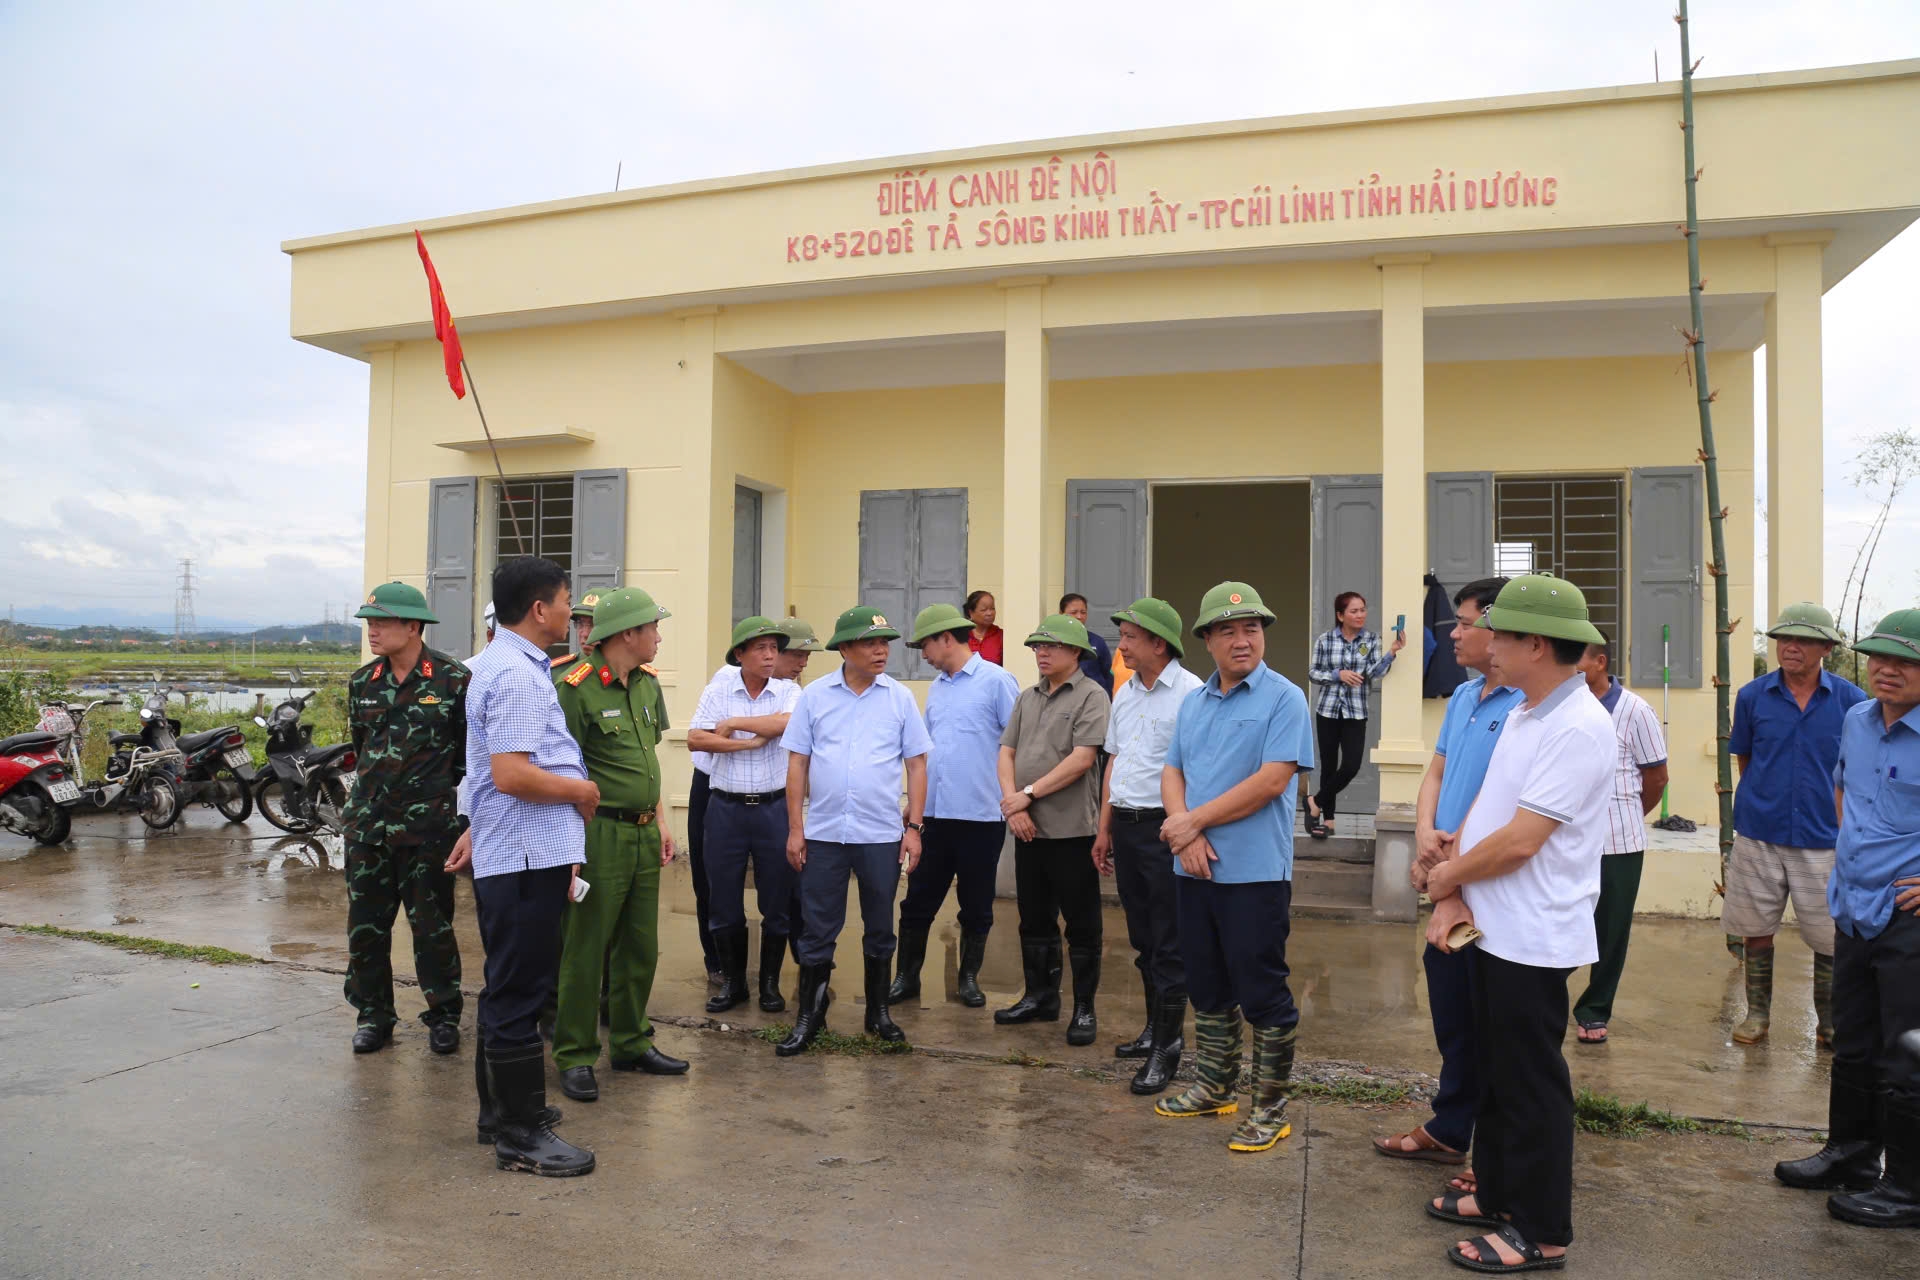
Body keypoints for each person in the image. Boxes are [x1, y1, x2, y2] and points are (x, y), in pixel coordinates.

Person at [1419, 574, 1613, 1270]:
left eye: (1499, 633)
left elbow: (1523, 840)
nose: (1486, 643)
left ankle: (1541, 1228)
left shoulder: (1578, 726)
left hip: (1533, 935)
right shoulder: (1528, 712)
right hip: (1493, 924)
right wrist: (1454, 885)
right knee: (1498, 1075)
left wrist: (1447, 878)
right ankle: (1498, 1191)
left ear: (1536, 644)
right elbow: (1486, 809)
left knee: (1531, 1087)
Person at [448, 555, 598, 1178]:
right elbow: (510, 774)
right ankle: (520, 1134)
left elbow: (486, 771)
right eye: (566, 601)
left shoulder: (503, 663)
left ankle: (501, 1112)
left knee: (509, 983)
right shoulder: (516, 675)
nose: (571, 612)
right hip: (525, 855)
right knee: (520, 991)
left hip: (518, 849)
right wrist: (582, 791)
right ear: (540, 609)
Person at [1151, 582, 1314, 1154]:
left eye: (1251, 629)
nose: (1242, 640)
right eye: (1228, 631)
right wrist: (1184, 829)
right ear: (1207, 640)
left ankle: (1269, 1108)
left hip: (1254, 872)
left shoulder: (1285, 698)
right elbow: (1172, 771)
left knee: (1262, 989)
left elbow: (1271, 781)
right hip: (1194, 869)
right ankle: (1214, 1086)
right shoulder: (1194, 703)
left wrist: (1190, 823)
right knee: (1206, 982)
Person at [1775, 607, 1920, 1229]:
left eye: (1905, 661)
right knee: (1854, 1040)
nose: (1887, 669)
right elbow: (1844, 790)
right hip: (1855, 905)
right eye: (1879, 657)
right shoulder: (1858, 719)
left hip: (1909, 915)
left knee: (1908, 1052)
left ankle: (1909, 1186)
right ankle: (1852, 1156)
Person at [1374, 576, 1518, 1169]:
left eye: (1464, 623)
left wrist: (1450, 867)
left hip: (1492, 885)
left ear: (1500, 629)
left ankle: (1498, 1161)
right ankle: (1452, 1127)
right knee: (1454, 1014)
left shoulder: (1528, 706)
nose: (1453, 635)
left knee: (1498, 1024)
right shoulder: (1463, 696)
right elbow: (1436, 773)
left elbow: (1502, 801)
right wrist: (1424, 836)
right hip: (1449, 881)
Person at [549, 588, 688, 1104]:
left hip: (644, 830)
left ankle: (630, 1042)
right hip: (598, 833)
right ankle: (575, 1054)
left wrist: (663, 822)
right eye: (653, 628)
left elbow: (650, 760)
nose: (659, 637)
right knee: (586, 948)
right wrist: (568, 848)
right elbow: (558, 769)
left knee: (639, 946)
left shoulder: (647, 685)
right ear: (628, 634)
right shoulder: (574, 688)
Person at [778, 606, 932, 1055]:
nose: (881, 651)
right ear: (845, 649)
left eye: (885, 643)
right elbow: (798, 763)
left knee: (880, 925)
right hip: (824, 832)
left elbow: (917, 765)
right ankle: (810, 1016)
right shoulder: (815, 697)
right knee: (817, 927)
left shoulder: (899, 698)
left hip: (880, 834)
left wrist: (914, 828)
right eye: (871, 643)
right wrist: (795, 829)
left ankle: (878, 1013)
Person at [1724, 602, 1865, 1046]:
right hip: (1759, 833)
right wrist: (1765, 798)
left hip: (1824, 837)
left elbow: (1859, 769)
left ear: (1826, 648)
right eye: (1784, 638)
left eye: (1803, 640)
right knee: (1755, 929)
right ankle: (1757, 1015)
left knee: (1830, 936)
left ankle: (1829, 1023)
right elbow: (1747, 757)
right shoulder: (1752, 696)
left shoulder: (1852, 702)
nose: (1790, 647)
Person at [340, 581, 470, 1056]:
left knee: (432, 929)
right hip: (368, 828)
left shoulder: (454, 680)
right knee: (365, 931)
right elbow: (363, 749)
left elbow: (466, 758)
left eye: (381, 622)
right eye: (369, 622)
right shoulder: (362, 683)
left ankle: (444, 1016)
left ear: (413, 626)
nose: (371, 631)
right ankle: (373, 1017)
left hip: (428, 830)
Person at [1094, 597, 1203, 1094]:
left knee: (1168, 942)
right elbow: (1114, 762)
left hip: (1164, 830)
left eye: (1130, 637)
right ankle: (1153, 1029)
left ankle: (1169, 1046)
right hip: (1126, 826)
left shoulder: (1192, 694)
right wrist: (1104, 829)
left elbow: (1198, 771)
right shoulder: (1125, 692)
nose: (1121, 646)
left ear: (1159, 643)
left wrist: (1189, 830)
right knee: (1142, 938)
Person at [892, 603, 1019, 1008]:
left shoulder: (997, 681)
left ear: (946, 638)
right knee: (917, 901)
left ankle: (968, 978)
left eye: (925, 645)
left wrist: (1015, 798)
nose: (923, 655)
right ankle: (906, 977)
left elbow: (1016, 744)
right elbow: (925, 753)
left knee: (976, 904)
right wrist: (914, 806)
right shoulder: (938, 688)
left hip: (981, 816)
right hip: (934, 816)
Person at [994, 613, 1111, 1044]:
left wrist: (1027, 794)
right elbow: (1006, 753)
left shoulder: (1092, 696)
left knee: (1081, 923)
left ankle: (1083, 1008)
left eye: (1051, 646)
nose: (1041, 653)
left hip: (1072, 830)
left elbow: (1082, 759)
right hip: (1028, 828)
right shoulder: (1027, 698)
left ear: (1075, 652)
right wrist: (1014, 805)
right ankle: (1039, 997)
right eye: (1037, 646)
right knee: (1033, 918)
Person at [688, 618, 797, 1015]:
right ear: (740, 654)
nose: (770, 656)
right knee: (723, 900)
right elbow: (696, 738)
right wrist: (749, 744)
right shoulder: (718, 690)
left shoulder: (788, 691)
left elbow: (787, 723)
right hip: (725, 809)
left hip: (773, 808)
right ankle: (734, 983)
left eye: (774, 649)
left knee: (777, 900)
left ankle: (769, 984)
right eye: (761, 648)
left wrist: (733, 725)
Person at [1570, 634, 1668, 1044]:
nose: (1570, 668)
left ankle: (1594, 1009)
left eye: (1577, 660)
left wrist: (1625, 815)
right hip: (1567, 839)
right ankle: (1543, 995)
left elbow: (1656, 777)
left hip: (1619, 842)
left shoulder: (1636, 711)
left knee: (1610, 930)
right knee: (1564, 919)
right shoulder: (1563, 705)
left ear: (1600, 662)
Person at [1305, 590, 1404, 838]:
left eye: (1362, 610)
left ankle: (1314, 801)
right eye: (1354, 611)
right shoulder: (1325, 640)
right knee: (1328, 766)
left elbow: (1374, 673)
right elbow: (1313, 673)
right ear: (1341, 615)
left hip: (1356, 712)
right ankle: (1328, 821)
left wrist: (1391, 652)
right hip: (1327, 711)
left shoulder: (1370, 640)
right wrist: (1338, 674)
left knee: (1350, 766)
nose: (1360, 615)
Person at [1060, 593, 1115, 698]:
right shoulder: (1054, 643)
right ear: (1061, 614)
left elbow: (1107, 674)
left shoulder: (1097, 642)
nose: (1079, 616)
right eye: (1074, 612)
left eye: (1083, 612)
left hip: (1095, 699)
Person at [550, 592, 602, 670]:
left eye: (593, 624)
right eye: (580, 623)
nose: (585, 634)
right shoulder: (559, 671)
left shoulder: (621, 671)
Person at [774, 617, 821, 682]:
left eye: (807, 655)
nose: (804, 664)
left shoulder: (790, 687)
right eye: (798, 655)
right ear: (775, 651)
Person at [965, 590, 1004, 666]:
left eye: (992, 608)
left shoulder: (1001, 636)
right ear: (971, 613)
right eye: (984, 610)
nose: (989, 613)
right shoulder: (962, 636)